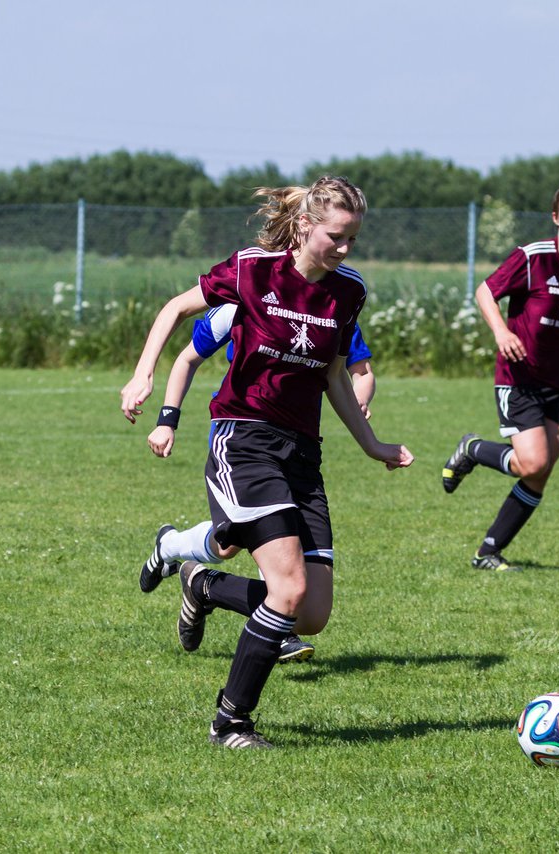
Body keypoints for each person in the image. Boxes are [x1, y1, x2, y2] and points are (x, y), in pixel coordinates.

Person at [120, 176, 414, 748]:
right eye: (337, 236)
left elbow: (332, 373)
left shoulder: (347, 291)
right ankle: (231, 722)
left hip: (303, 454)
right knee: (287, 587)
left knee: (312, 614)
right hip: (244, 441)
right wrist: (144, 375)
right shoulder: (254, 270)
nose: (346, 249)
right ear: (305, 226)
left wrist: (372, 446)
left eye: (354, 238)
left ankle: (203, 586)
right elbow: (177, 308)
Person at [137, 302, 377, 665]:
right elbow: (189, 355)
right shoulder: (247, 295)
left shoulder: (332, 303)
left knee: (227, 546)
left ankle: (188, 568)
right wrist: (167, 418)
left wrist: (359, 401)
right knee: (274, 550)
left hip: (300, 449)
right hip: (244, 440)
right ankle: (279, 630)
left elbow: (359, 372)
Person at [442, 179, 559, 571]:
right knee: (532, 464)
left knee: (540, 474)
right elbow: (485, 292)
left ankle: (487, 552)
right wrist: (501, 332)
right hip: (519, 377)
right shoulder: (532, 257)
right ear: (556, 216)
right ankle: (473, 449)